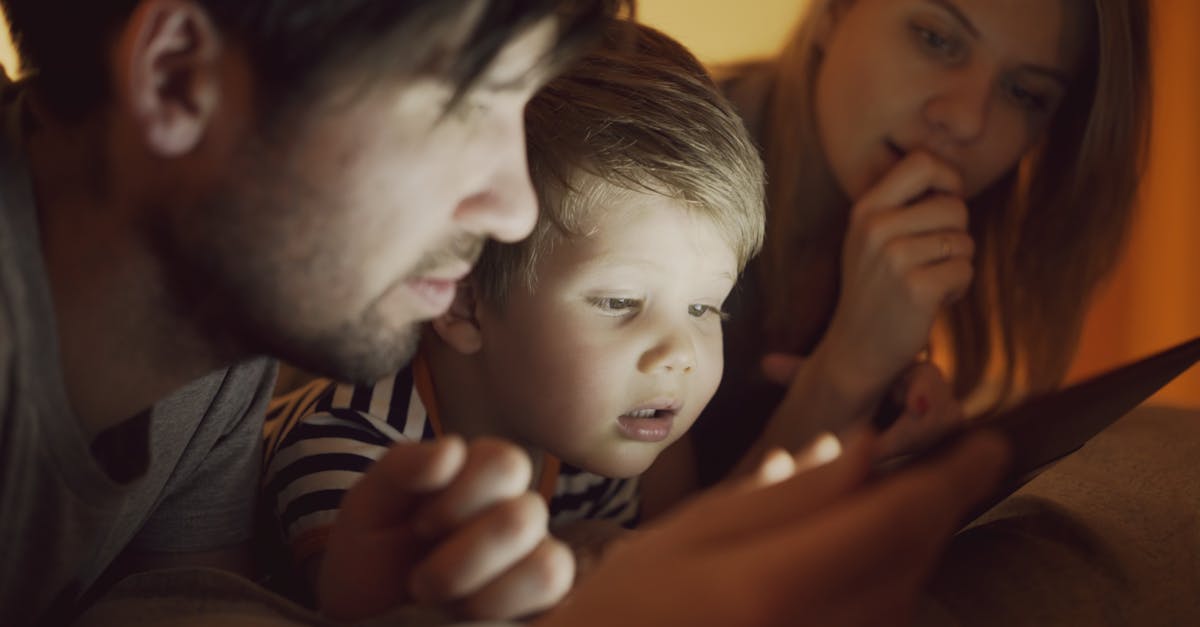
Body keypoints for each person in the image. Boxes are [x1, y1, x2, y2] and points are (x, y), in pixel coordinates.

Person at [0, 1, 1010, 626]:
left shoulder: (215, 352)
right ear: (178, 74)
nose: (514, 208)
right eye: (467, 107)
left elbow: (177, 606)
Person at [259, 21, 765, 620]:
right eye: (619, 302)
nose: (678, 354)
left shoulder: (600, 432)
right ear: (464, 303)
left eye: (704, 308)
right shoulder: (352, 452)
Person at [688, 0, 1152, 485]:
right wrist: (846, 375)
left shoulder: (899, 239)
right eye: (936, 39)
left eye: (1025, 93)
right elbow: (650, 559)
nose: (968, 120)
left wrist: (882, 440)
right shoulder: (655, 190)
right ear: (834, 11)